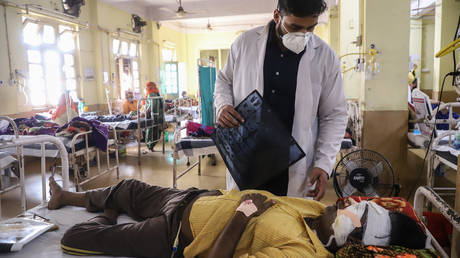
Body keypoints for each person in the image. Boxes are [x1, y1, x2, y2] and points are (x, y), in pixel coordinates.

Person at [48, 178, 426, 258]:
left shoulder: (300, 253)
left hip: (176, 234)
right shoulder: (316, 212)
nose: (340, 205)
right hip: (191, 197)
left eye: (351, 212)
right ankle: (66, 195)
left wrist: (243, 215)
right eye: (351, 203)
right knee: (128, 186)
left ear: (351, 238)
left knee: (77, 237)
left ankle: (108, 216)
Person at [214, 0, 347, 199]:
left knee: (287, 224)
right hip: (249, 157)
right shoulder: (245, 44)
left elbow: (334, 115)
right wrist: (223, 105)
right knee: (244, 217)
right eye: (294, 27)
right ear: (277, 16)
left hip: (292, 167)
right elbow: (224, 80)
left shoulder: (325, 57)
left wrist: (323, 164)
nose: (303, 34)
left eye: (310, 28)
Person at [143, 82, 164, 151]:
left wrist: (146, 111)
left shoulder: (151, 94)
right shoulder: (157, 93)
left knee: (150, 132)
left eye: (147, 87)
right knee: (157, 132)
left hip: (153, 117)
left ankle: (150, 146)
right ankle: (151, 146)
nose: (146, 89)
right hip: (159, 116)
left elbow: (152, 105)